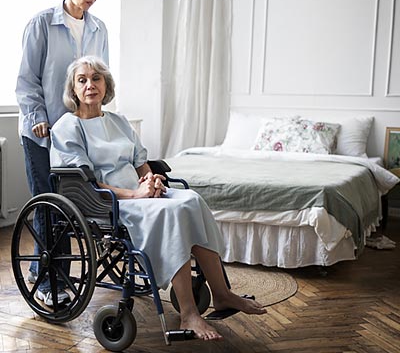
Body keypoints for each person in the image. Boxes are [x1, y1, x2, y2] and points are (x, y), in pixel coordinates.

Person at [50, 56, 267, 341]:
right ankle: (189, 312)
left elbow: (141, 161)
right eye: (82, 80)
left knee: (191, 200)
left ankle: (223, 294)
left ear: (106, 85)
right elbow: (85, 181)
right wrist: (135, 193)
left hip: (139, 192)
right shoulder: (68, 127)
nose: (90, 85)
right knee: (170, 214)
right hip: (108, 201)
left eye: (96, 78)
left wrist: (149, 179)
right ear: (73, 90)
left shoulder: (118, 120)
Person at [15, 0, 109, 307]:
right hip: (42, 132)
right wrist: (37, 115)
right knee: (49, 206)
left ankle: (52, 270)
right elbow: (27, 82)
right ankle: (50, 280)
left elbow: (101, 77)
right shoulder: (41, 24)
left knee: (74, 206)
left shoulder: (99, 28)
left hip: (78, 133)